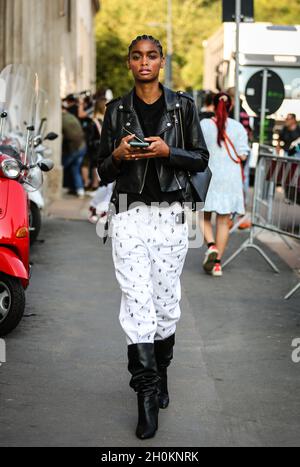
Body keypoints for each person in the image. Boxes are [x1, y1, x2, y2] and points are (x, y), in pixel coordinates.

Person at [97, 34, 209, 440]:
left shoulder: (183, 107)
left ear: (162, 61)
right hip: (128, 215)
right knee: (136, 302)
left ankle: (160, 376)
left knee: (166, 305)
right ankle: (145, 394)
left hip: (172, 217)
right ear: (129, 63)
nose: (144, 62)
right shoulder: (115, 111)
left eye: (151, 56)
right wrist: (119, 156)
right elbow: (101, 171)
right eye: (136, 57)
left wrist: (167, 152)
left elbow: (200, 158)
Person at [200, 92, 249, 277]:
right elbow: (243, 155)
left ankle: (211, 246)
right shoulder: (238, 128)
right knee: (223, 221)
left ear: (213, 106)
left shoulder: (204, 125)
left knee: (204, 217)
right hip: (230, 179)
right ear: (230, 107)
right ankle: (217, 264)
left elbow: (197, 149)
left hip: (209, 176)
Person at [62, 104, 86, 198]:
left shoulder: (62, 119)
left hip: (74, 148)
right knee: (75, 169)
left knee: (62, 165)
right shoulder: (71, 116)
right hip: (82, 146)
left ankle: (65, 187)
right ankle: (80, 190)